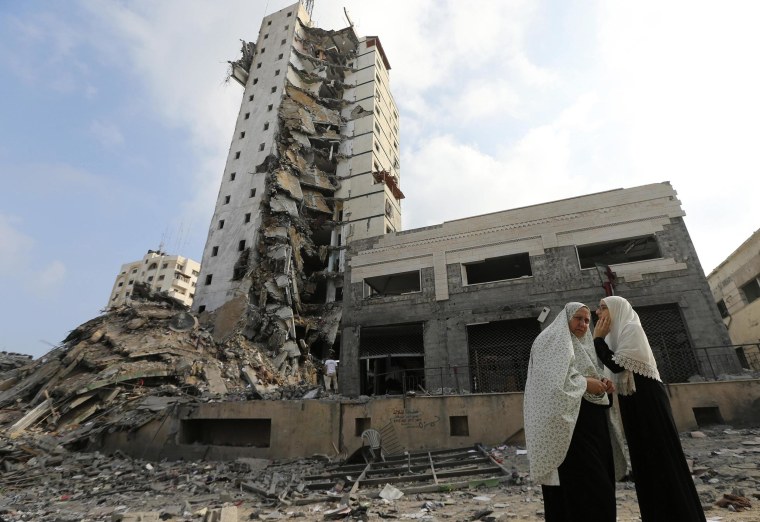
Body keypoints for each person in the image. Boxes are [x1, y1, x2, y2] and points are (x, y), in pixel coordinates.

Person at [593, 296, 706, 522]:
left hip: (648, 401)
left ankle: (681, 514)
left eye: (603, 307)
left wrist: (597, 340)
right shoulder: (616, 336)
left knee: (661, 456)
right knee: (645, 461)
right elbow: (613, 371)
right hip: (634, 402)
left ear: (618, 310)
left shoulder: (631, 328)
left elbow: (615, 363)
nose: (598, 313)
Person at [524, 303, 626, 522]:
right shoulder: (548, 341)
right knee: (580, 487)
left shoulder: (582, 345)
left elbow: (586, 375)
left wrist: (602, 383)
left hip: (591, 425)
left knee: (598, 485)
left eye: (587, 321)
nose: (583, 324)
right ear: (566, 318)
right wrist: (586, 384)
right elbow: (550, 382)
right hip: (567, 430)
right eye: (578, 318)